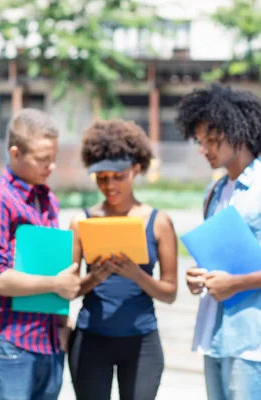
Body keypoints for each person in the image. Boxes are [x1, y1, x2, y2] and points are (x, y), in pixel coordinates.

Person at [175, 83, 261, 400]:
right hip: (213, 333)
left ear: (239, 134)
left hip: (253, 339)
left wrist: (236, 283)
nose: (204, 149)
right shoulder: (213, 192)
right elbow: (217, 259)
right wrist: (199, 277)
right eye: (200, 141)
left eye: (212, 140)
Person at [0, 108, 81, 400]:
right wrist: (56, 285)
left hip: (49, 343)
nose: (52, 166)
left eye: (53, 158)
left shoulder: (48, 201)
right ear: (15, 153)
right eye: (43, 159)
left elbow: (55, 264)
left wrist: (61, 323)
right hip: (10, 344)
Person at [67, 119, 178, 400]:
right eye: (102, 178)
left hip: (142, 343)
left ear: (136, 169)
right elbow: (68, 289)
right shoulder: (81, 222)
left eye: (118, 177)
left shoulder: (158, 222)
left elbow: (170, 293)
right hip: (91, 340)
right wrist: (96, 277)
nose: (110, 185)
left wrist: (136, 275)